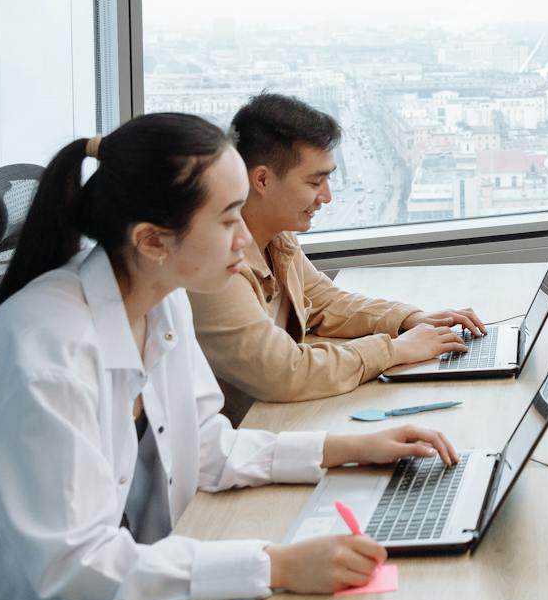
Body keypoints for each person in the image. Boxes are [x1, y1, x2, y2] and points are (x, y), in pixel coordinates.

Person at [0, 114, 456, 600]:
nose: (243, 239)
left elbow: (208, 451)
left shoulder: (159, 301)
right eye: (229, 219)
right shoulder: (44, 357)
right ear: (153, 239)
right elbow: (78, 569)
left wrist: (347, 447)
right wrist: (275, 565)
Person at [190, 93, 487, 423]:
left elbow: (321, 300)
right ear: (262, 180)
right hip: (237, 446)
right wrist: (396, 350)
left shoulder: (275, 236)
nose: (327, 197)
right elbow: (282, 371)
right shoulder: (218, 264)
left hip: (273, 426)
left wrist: (408, 320)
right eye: (315, 181)